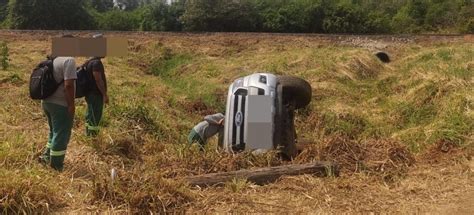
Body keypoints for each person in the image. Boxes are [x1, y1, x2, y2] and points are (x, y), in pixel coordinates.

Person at [39, 54, 77, 171]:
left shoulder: (53, 59)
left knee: (53, 132)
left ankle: (46, 157)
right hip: (60, 105)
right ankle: (56, 166)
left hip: (46, 103)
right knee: (61, 135)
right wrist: (71, 105)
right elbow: (69, 85)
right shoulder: (69, 60)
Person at [84, 34, 108, 136]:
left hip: (89, 94)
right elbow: (98, 80)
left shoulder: (89, 62)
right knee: (95, 115)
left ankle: (88, 134)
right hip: (95, 94)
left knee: (90, 114)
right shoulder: (96, 63)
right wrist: (104, 94)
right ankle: (93, 137)